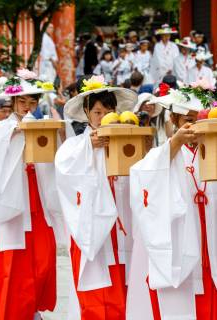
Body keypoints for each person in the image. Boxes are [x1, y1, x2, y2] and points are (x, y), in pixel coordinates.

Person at [127, 87, 217, 319]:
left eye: (200, 120)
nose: (195, 127)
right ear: (174, 119)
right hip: (185, 244)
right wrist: (174, 144)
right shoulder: (164, 154)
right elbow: (142, 179)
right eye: (188, 120)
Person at [0, 70, 65, 320]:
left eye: (32, 101)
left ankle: (34, 309)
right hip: (13, 206)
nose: (28, 106)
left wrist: (60, 134)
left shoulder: (42, 126)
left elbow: (60, 154)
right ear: (13, 102)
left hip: (38, 201)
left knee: (43, 262)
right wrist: (14, 133)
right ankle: (15, 313)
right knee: (13, 266)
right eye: (22, 101)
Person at [56, 75, 138, 319]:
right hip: (93, 225)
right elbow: (64, 171)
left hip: (125, 223)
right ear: (87, 113)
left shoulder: (128, 141)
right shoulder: (74, 147)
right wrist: (88, 147)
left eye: (108, 111)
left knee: (127, 284)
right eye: (97, 112)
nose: (102, 118)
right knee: (96, 290)